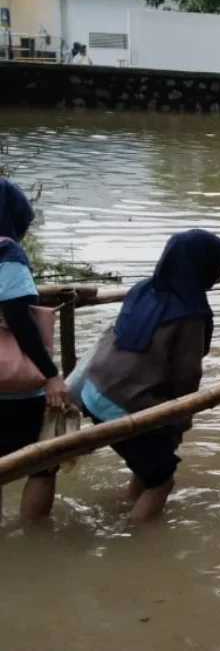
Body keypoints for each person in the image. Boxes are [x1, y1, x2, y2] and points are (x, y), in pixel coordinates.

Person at [80, 229, 220, 521]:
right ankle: (133, 543)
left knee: (150, 465)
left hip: (93, 391)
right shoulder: (190, 313)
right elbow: (187, 377)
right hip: (125, 407)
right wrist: (179, 422)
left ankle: (132, 505)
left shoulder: (143, 290)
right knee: (163, 480)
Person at [0, 178, 65, 525]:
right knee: (42, 463)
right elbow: (18, 320)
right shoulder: (7, 251)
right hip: (10, 387)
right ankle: (35, 541)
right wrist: (51, 374)